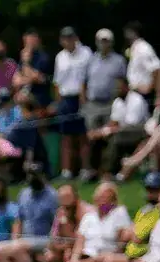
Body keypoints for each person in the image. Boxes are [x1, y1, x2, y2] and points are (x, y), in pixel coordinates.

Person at [54, 27, 95, 179]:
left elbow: (90, 77)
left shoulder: (86, 53)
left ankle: (85, 170)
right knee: (66, 137)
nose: (68, 41)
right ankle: (67, 171)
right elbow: (57, 82)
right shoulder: (60, 57)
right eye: (65, 38)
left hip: (81, 97)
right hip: (66, 98)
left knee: (83, 135)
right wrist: (59, 102)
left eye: (71, 37)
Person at [94, 76, 151, 174]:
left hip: (140, 131)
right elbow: (114, 122)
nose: (116, 90)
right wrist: (100, 132)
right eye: (115, 87)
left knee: (116, 139)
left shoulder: (136, 100)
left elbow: (131, 125)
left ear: (126, 87)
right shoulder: (117, 101)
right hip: (122, 131)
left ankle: (109, 172)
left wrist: (108, 131)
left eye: (119, 87)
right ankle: (94, 172)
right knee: (95, 138)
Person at [124, 22, 160, 109]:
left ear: (134, 32)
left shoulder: (143, 47)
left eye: (128, 32)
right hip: (134, 93)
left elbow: (158, 70)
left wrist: (158, 94)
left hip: (142, 96)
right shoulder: (134, 48)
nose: (126, 35)